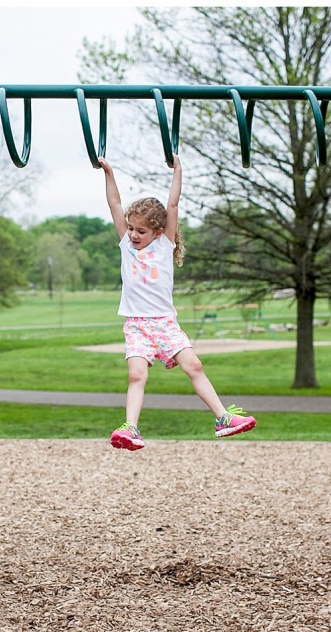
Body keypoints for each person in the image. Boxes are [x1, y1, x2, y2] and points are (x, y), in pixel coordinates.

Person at [99, 154, 256, 451]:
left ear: (157, 232)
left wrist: (178, 170)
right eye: (131, 228)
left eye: (140, 231)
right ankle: (130, 428)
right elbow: (115, 205)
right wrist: (108, 172)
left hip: (164, 323)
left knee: (194, 365)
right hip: (136, 326)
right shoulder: (126, 246)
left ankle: (222, 417)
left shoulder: (163, 245)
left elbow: (172, 205)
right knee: (136, 374)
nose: (133, 234)